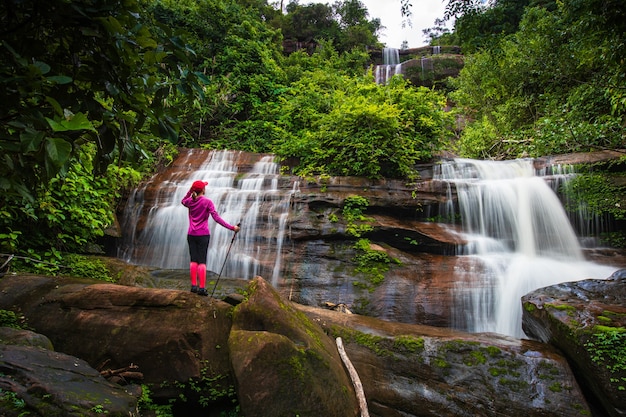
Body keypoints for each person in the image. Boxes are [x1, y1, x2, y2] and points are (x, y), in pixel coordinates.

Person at [181, 180, 240, 296]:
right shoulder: (207, 202)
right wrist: (232, 228)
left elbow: (183, 201)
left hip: (191, 234)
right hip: (203, 235)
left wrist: (190, 191)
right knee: (202, 261)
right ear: (203, 190)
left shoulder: (190, 201)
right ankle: (202, 288)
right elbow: (217, 218)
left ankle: (193, 286)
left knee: (193, 260)